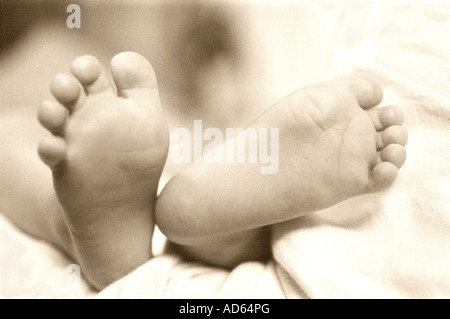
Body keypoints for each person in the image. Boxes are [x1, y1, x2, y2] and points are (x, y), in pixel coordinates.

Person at [31, 51, 407, 290]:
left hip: (185, 139)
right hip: (193, 148)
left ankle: (77, 231)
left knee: (12, 144)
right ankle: (221, 241)